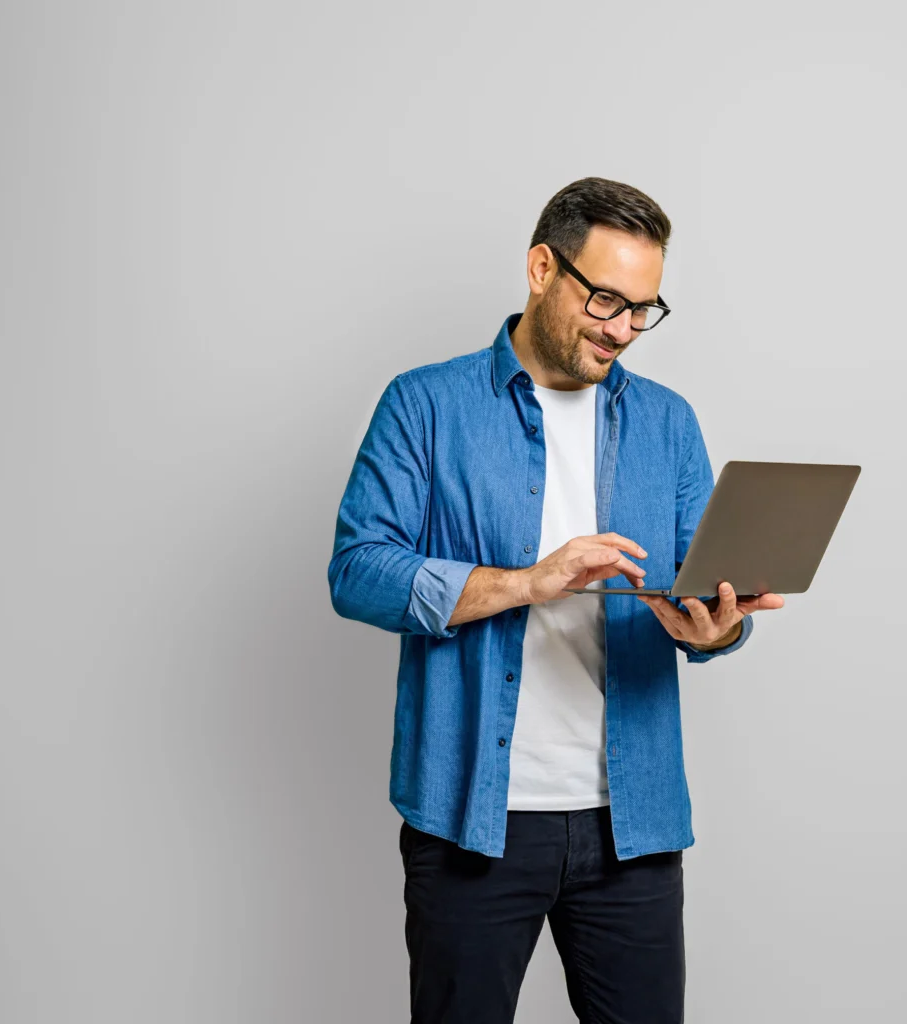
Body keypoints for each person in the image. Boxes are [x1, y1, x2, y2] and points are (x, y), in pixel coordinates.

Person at [328, 177, 785, 1023]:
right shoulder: (425, 405)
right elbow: (357, 570)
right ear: (543, 268)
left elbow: (696, 594)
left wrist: (715, 632)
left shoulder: (668, 423)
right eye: (605, 298)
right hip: (472, 815)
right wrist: (528, 584)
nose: (622, 330)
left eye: (643, 309)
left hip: (633, 823)